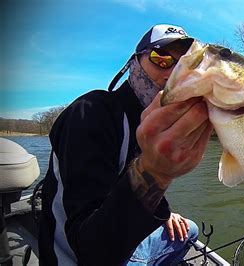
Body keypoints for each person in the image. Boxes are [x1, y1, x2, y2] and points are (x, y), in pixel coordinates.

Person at [39, 24, 213, 265]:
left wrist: (162, 211)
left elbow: (126, 179)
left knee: (189, 230)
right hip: (75, 256)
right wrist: (157, 172)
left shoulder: (150, 125)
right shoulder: (91, 114)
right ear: (134, 63)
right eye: (161, 59)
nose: (172, 73)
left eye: (185, 65)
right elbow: (90, 253)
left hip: (116, 234)